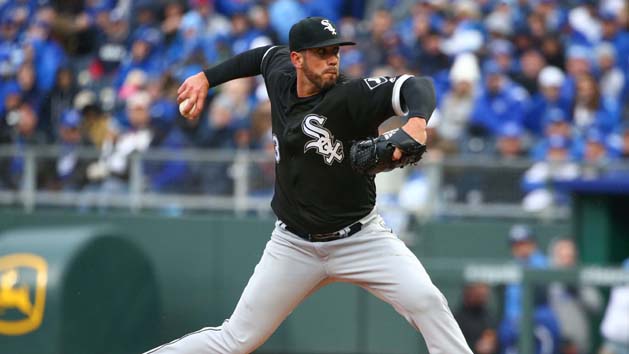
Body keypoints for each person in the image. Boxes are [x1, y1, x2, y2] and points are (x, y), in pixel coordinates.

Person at [143, 16, 473, 354]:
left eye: (335, 51)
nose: (332, 59)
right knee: (236, 340)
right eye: (321, 52)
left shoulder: (352, 95)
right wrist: (205, 77)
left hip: (361, 239)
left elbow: (417, 86)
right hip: (293, 245)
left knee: (428, 303)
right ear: (297, 58)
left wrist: (417, 119)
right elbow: (259, 56)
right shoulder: (280, 73)